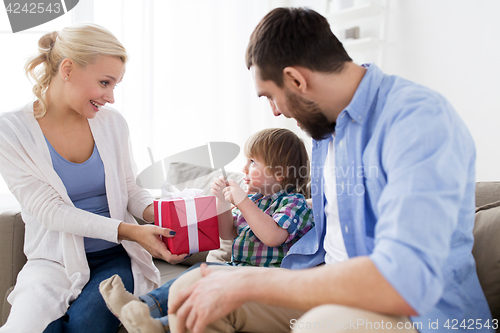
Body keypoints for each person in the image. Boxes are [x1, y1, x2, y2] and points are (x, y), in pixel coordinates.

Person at [166, 7, 493, 333]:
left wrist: (251, 281)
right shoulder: (326, 132)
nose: (275, 112)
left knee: (321, 326)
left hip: (418, 314)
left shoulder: (416, 120)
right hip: (329, 293)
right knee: (189, 291)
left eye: (271, 97)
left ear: (296, 80)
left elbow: (404, 280)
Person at [0, 24, 186, 333]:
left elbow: (130, 190)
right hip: (53, 262)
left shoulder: (113, 124)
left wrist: (163, 215)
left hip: (115, 256)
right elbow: (50, 211)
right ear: (68, 69)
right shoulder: (11, 132)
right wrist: (130, 230)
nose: (111, 97)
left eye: (115, 85)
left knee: (87, 325)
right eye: (104, 82)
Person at [98, 127, 314, 333]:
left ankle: (154, 317)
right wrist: (220, 201)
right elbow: (228, 233)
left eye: (253, 162)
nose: (244, 169)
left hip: (269, 279)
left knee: (204, 277)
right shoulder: (254, 200)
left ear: (280, 173)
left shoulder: (295, 203)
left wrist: (242, 202)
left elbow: (273, 236)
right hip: (238, 269)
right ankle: (146, 310)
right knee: (198, 274)